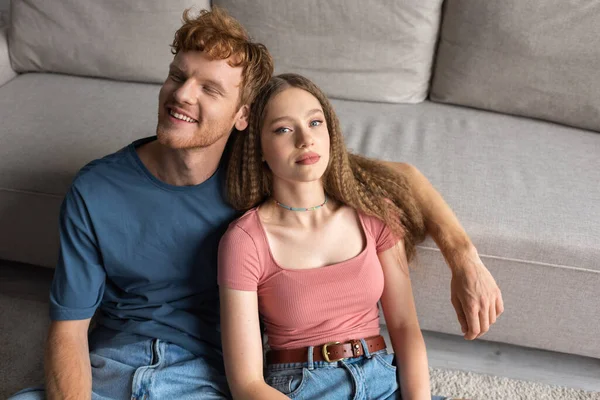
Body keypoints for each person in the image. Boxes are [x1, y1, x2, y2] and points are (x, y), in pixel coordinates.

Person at [9, 7, 502, 400]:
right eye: (177, 76)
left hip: (201, 375)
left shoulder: (264, 173)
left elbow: (400, 178)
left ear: (243, 115)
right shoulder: (95, 190)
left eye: (209, 88)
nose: (182, 95)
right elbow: (68, 332)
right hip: (112, 368)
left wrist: (464, 256)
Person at [219, 73, 451, 399]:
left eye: (315, 123)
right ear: (257, 148)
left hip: (383, 379)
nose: (305, 139)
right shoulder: (244, 240)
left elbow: (404, 328)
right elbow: (247, 385)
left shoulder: (374, 212)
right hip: (302, 388)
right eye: (283, 129)